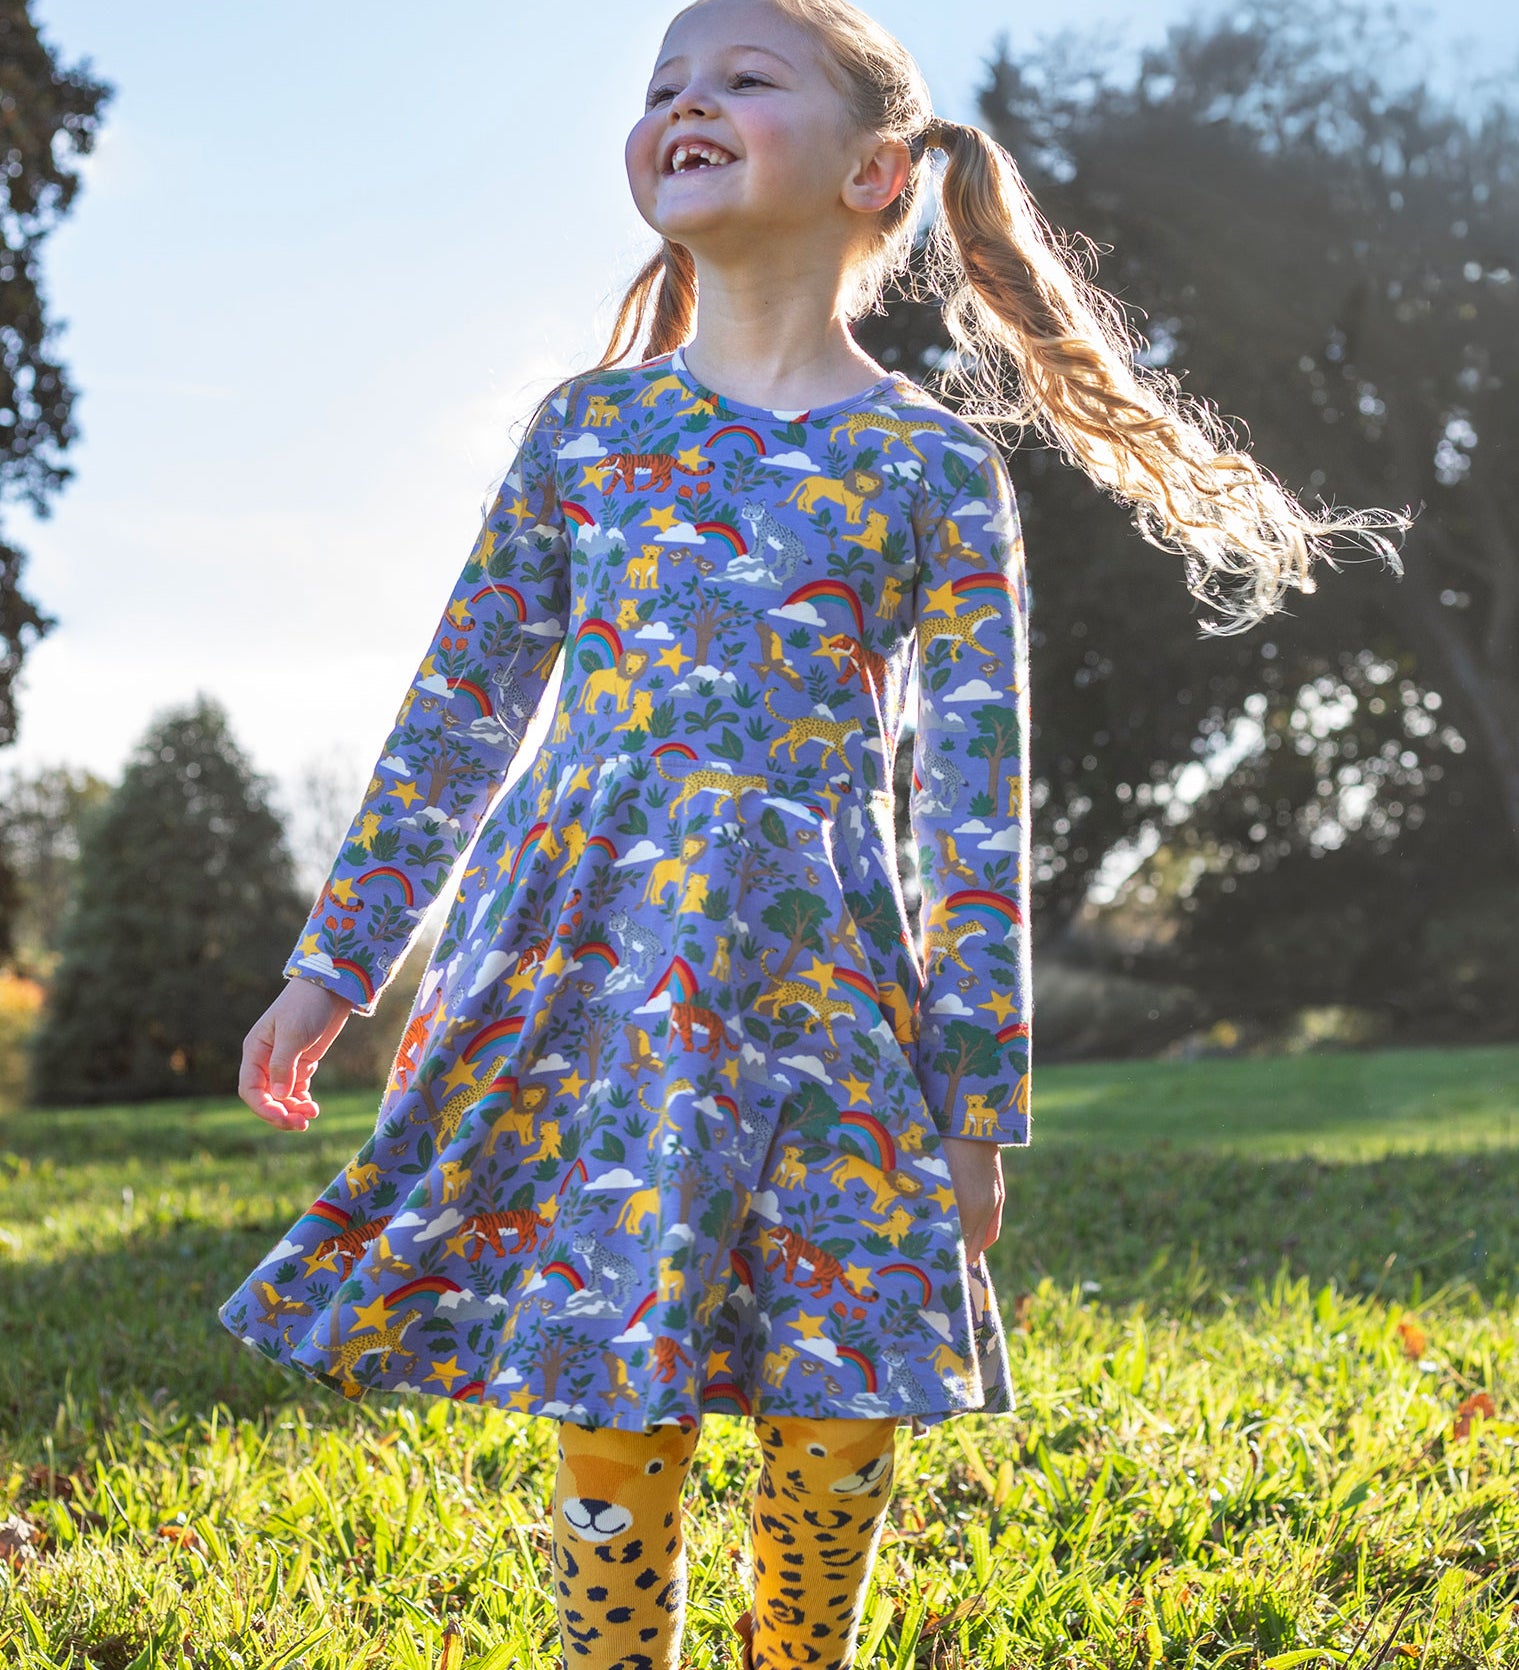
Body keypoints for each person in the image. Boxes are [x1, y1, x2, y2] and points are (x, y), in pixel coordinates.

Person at [220, 2, 1405, 1664]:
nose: (685, 103)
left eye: (741, 77)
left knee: (841, 1380)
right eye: (662, 86)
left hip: (828, 995)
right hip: (596, 977)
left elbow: (974, 799)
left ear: (879, 175)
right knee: (612, 1353)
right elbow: (460, 710)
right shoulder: (590, 433)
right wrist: (336, 963)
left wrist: (979, 1093)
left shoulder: (928, 465)